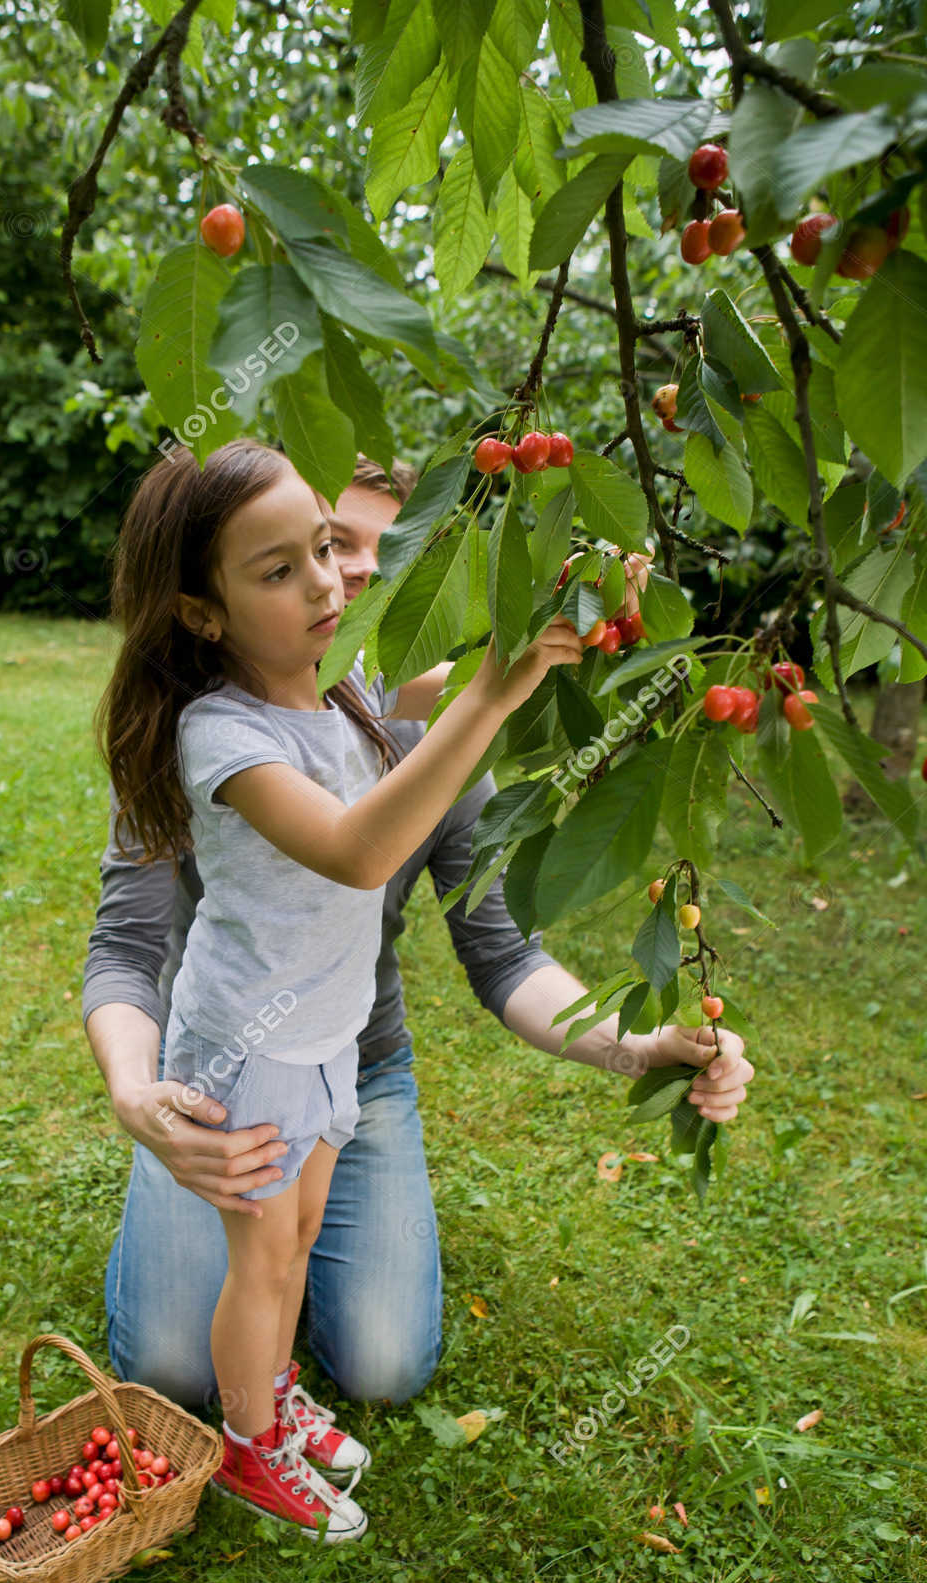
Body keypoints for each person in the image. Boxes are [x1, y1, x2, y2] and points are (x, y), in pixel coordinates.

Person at [84, 451, 755, 1519]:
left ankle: (274, 1395)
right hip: (234, 1060)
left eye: (342, 553)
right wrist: (136, 1095)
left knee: (323, 1279)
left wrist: (590, 600)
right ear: (201, 612)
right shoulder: (214, 732)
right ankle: (252, 1444)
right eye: (286, 567)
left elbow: (505, 946)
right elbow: (350, 851)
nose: (329, 582)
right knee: (210, 1321)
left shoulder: (358, 693)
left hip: (342, 1045)